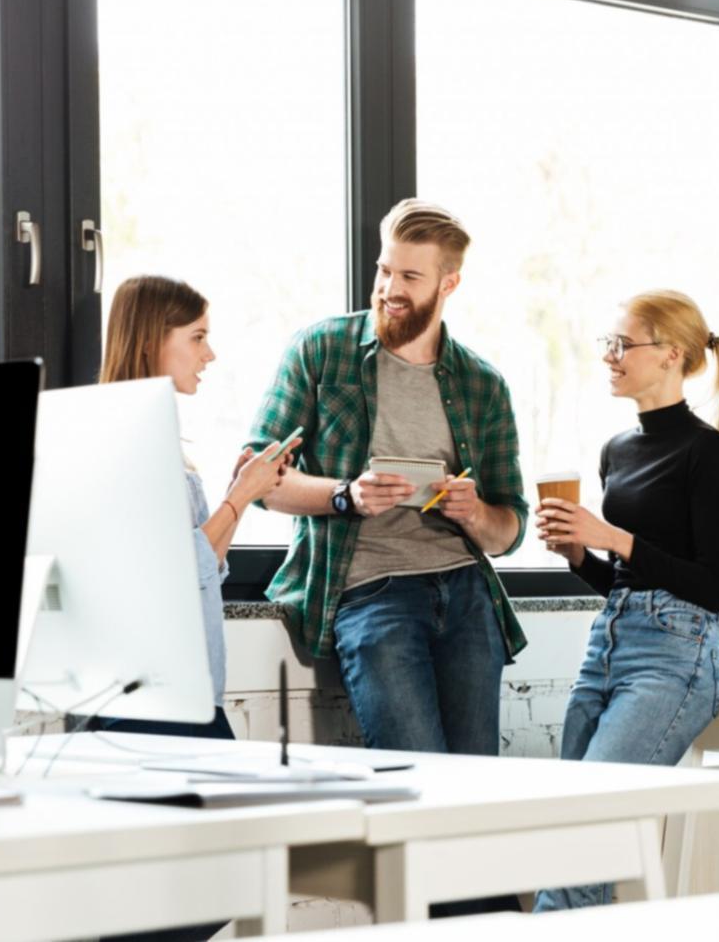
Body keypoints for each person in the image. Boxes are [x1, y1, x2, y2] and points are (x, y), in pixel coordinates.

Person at [247, 199, 529, 757]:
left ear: (449, 283)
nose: (389, 289)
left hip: (467, 597)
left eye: (410, 277)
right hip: (370, 593)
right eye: (384, 270)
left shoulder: (483, 385)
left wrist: (474, 512)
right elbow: (256, 476)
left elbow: (509, 531)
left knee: (478, 783)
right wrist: (345, 495)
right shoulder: (321, 351)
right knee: (416, 773)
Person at [533, 289, 719, 912]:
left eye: (622, 344)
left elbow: (713, 588)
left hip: (674, 660)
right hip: (608, 646)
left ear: (671, 354)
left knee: (583, 839)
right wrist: (579, 554)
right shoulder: (616, 450)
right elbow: (627, 583)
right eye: (608, 344)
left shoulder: (708, 452)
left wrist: (612, 538)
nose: (609, 356)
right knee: (564, 831)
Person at [94, 274, 298, 739]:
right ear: (151, 340)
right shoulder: (123, 442)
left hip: (190, 691)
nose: (210, 354)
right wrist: (239, 497)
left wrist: (241, 493)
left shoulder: (160, 438)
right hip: (151, 694)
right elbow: (171, 574)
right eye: (198, 337)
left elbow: (204, 568)